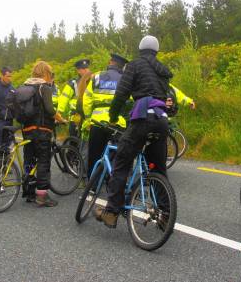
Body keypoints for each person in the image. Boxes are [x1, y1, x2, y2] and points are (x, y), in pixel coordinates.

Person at [95, 36, 173, 228]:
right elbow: (169, 98)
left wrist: (113, 116)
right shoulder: (163, 72)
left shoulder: (135, 65)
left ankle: (111, 212)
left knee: (121, 161)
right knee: (159, 169)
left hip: (143, 118)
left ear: (140, 48)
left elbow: (121, 93)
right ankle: (165, 215)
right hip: (162, 120)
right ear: (156, 50)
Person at [20, 61, 66, 206]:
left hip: (27, 130)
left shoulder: (25, 86)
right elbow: (50, 109)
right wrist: (60, 118)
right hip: (42, 130)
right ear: (46, 73)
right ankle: (42, 196)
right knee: (43, 162)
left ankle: (29, 192)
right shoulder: (44, 87)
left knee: (29, 161)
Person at [83, 54, 128, 176]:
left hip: (97, 122)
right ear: (123, 66)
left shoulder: (96, 77)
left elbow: (86, 100)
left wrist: (88, 118)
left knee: (94, 155)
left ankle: (92, 186)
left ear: (110, 62)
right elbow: (131, 101)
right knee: (118, 156)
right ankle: (113, 182)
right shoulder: (125, 79)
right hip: (117, 123)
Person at [56, 59, 90, 137]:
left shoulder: (94, 81)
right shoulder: (73, 83)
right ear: (78, 71)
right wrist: (59, 113)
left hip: (89, 119)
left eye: (87, 68)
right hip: (76, 118)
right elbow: (63, 98)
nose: (86, 71)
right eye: (84, 69)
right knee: (74, 144)